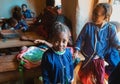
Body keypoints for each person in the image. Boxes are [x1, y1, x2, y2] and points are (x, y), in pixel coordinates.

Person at [74, 3, 120, 84]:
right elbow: (80, 39)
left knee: (99, 78)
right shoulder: (88, 26)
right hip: (86, 56)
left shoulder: (110, 29)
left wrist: (118, 47)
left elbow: (115, 43)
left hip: (100, 58)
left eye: (96, 14)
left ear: (105, 17)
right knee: (82, 76)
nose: (93, 16)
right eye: (93, 13)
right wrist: (76, 51)